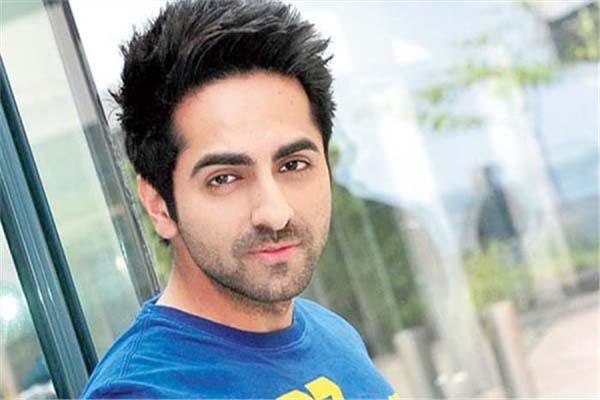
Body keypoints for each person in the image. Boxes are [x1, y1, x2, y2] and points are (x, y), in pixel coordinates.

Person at [81, 0, 398, 398]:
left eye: (293, 165)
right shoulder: (145, 391)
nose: (275, 213)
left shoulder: (334, 334)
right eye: (225, 178)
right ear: (159, 205)